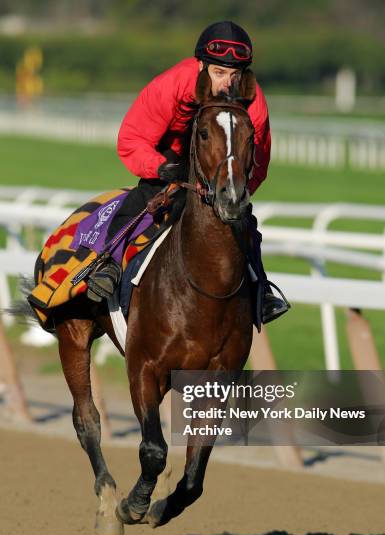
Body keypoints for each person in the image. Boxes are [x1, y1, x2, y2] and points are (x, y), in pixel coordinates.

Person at [87, 20, 289, 324]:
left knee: (245, 222)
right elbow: (131, 139)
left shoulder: (252, 99)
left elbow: (258, 160)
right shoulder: (174, 83)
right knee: (143, 200)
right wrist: (158, 168)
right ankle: (108, 266)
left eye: (235, 75)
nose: (227, 84)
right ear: (201, 66)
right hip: (167, 158)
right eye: (219, 73)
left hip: (218, 167)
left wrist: (231, 192)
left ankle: (261, 291)